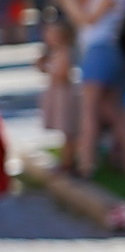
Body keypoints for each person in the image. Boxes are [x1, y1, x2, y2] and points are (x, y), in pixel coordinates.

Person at [53, 0, 125, 178]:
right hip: (103, 51)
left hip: (100, 51)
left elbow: (86, 19)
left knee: (89, 110)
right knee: (115, 111)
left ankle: (86, 164)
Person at [36, 17, 78, 169]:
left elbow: (63, 74)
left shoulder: (66, 52)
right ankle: (66, 160)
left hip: (64, 95)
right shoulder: (52, 53)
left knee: (69, 130)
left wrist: (49, 68)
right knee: (65, 132)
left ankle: (68, 162)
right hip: (56, 93)